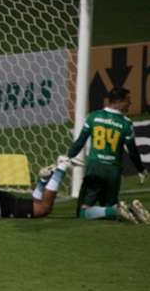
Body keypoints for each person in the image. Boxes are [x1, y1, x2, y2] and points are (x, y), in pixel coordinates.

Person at [57, 87, 150, 223]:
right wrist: (141, 169)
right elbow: (132, 151)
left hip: (95, 168)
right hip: (113, 172)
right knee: (110, 208)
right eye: (128, 101)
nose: (130, 104)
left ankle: (121, 209)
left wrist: (69, 156)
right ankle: (131, 210)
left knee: (83, 213)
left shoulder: (93, 117)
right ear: (119, 101)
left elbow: (80, 141)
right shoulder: (126, 123)